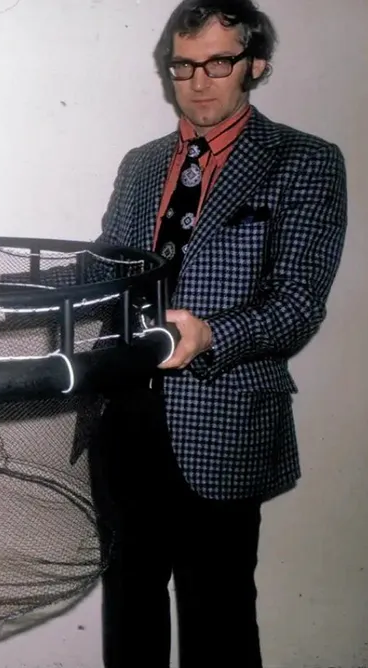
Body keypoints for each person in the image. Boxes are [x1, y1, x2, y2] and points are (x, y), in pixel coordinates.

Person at [82, 1, 348, 667]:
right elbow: (103, 271)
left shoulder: (305, 161)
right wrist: (10, 283)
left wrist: (210, 337)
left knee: (218, 618)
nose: (198, 83)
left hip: (222, 419)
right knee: (129, 609)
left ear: (256, 65)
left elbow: (298, 305)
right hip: (123, 419)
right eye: (183, 66)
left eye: (219, 63)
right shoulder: (142, 164)